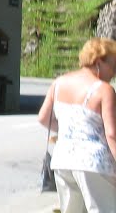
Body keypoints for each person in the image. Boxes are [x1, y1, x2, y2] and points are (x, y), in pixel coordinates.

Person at [38, 37, 116, 212]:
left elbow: (43, 118)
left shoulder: (59, 83)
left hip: (63, 160)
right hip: (94, 163)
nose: (114, 73)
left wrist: (74, 129)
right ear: (98, 62)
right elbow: (112, 134)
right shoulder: (104, 89)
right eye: (113, 66)